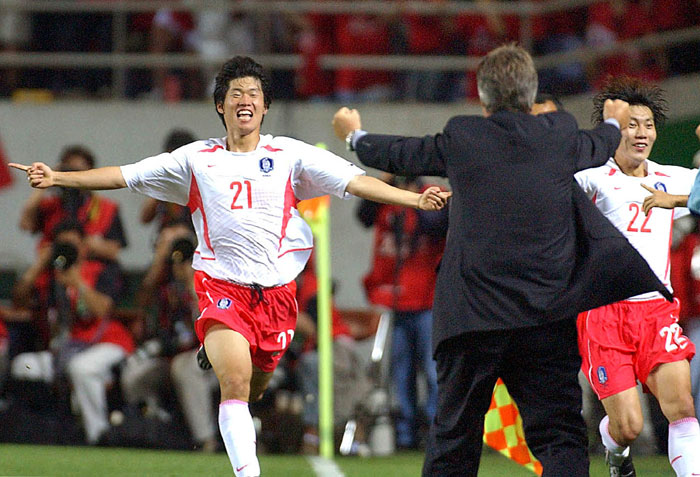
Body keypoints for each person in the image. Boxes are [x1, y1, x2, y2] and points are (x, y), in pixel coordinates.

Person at [9, 55, 449, 477]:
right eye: (236, 92)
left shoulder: (289, 155)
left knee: (256, 385)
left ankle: (223, 356)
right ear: (221, 105)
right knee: (235, 383)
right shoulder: (196, 159)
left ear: (264, 106)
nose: (246, 99)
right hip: (222, 287)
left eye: (254, 92)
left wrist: (413, 198)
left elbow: (355, 181)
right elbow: (126, 175)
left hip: (275, 295)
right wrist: (59, 178)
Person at [331, 43, 671, 476]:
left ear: (483, 96)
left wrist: (353, 134)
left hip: (472, 319)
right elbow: (602, 143)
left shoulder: (464, 136)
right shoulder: (560, 133)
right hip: (545, 320)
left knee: (454, 439)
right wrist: (612, 119)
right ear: (530, 96)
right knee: (559, 436)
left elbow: (401, 153)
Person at [575, 76, 700, 477]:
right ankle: (616, 454)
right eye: (631, 124)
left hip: (656, 311)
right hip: (604, 314)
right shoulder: (590, 178)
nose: (641, 132)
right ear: (614, 130)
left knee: (682, 407)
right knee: (629, 426)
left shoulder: (672, 177)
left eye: (647, 124)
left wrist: (676, 200)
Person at [10, 219, 135, 444]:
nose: (68, 251)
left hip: (107, 344)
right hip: (68, 349)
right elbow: (18, 300)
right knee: (23, 365)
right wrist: (38, 265)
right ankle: (48, 432)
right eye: (62, 245)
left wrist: (78, 283)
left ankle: (98, 436)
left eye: (73, 245)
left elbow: (103, 310)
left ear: (84, 247)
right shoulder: (49, 276)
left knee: (82, 368)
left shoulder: (100, 269)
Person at [356, 173, 446, 449]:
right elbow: (363, 215)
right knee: (400, 373)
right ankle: (405, 436)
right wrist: (385, 184)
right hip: (394, 302)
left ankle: (435, 434)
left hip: (428, 302)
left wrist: (413, 197)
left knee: (433, 373)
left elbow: (435, 226)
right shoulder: (386, 195)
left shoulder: (434, 193)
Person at [18, 145, 128, 264]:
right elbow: (26, 224)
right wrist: (46, 180)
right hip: (54, 270)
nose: (74, 178)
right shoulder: (53, 204)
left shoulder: (106, 208)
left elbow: (114, 251)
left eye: (80, 173)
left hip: (91, 273)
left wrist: (81, 243)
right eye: (69, 171)